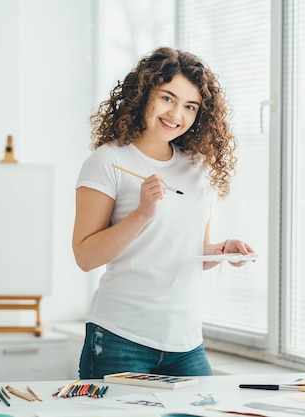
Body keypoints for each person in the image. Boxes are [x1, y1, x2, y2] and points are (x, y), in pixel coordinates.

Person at [72, 47, 255, 378]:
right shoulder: (108, 162)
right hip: (119, 339)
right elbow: (85, 256)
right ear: (143, 95)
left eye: (190, 106)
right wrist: (142, 213)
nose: (176, 114)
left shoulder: (196, 168)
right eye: (167, 98)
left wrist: (223, 251)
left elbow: (191, 251)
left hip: (185, 342)